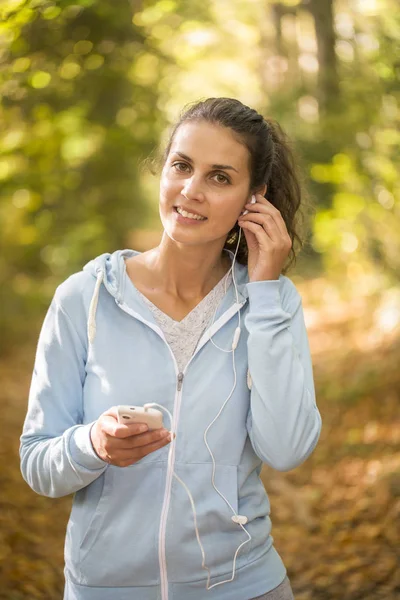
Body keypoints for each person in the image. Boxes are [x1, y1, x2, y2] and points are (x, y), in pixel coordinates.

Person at [20, 97, 322, 600]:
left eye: (220, 177)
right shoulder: (85, 297)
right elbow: (37, 462)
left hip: (243, 585)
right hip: (107, 589)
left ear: (256, 197)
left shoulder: (272, 302)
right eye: (182, 166)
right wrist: (93, 444)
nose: (191, 190)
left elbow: (287, 449)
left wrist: (265, 294)